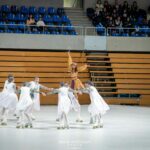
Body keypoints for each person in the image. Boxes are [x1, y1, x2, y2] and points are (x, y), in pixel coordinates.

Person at [68, 52, 87, 122]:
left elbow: (81, 68)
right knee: (70, 98)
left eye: (74, 65)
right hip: (72, 83)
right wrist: (69, 55)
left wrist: (85, 66)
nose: (73, 66)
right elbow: (69, 62)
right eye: (73, 65)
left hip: (76, 82)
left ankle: (78, 116)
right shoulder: (70, 69)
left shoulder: (77, 70)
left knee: (76, 98)